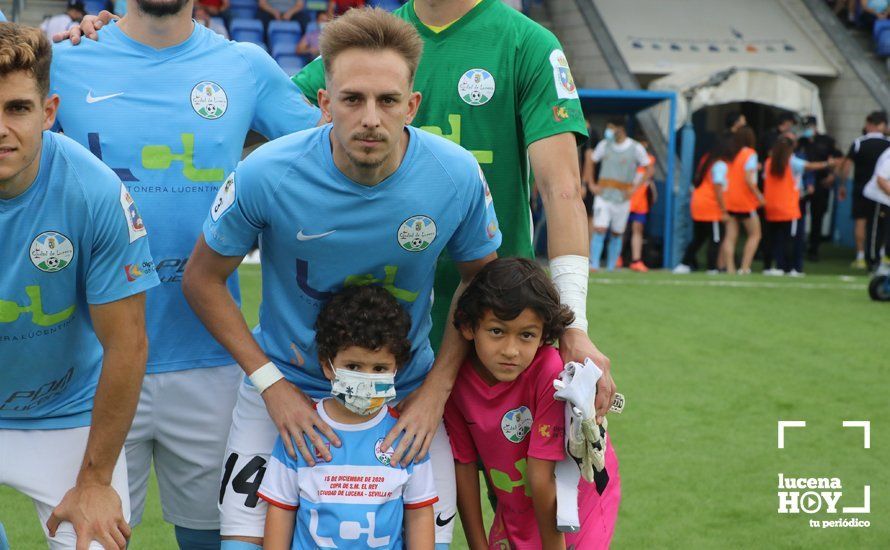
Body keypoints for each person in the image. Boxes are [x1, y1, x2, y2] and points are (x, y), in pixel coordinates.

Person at [180, 9, 501, 548]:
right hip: (287, 386)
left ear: (412, 106)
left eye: (388, 100)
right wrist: (272, 386)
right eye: (352, 99)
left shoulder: (455, 175)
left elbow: (481, 284)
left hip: (405, 396)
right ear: (325, 104)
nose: (371, 118)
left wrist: (434, 393)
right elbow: (201, 280)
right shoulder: (267, 172)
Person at [49, 0, 321, 547]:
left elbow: (325, 149)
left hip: (212, 361)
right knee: (86, 539)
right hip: (90, 365)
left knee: (216, 539)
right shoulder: (64, 60)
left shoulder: (245, 65)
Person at [292, 0, 616, 431]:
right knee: (384, 493)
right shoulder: (376, 45)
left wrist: (573, 323)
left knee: (515, 489)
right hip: (380, 335)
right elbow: (273, 125)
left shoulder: (527, 43)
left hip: (494, 322)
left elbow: (562, 192)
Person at [0, 23, 158, 549]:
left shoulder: (94, 191)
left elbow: (128, 344)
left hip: (68, 416)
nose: (1, 128)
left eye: (17, 108)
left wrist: (93, 481)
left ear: (48, 113)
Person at [444, 258, 621, 549]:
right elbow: (462, 466)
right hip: (517, 506)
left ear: (544, 336)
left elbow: (543, 478)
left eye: (526, 335)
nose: (511, 350)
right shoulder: (455, 382)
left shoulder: (550, 373)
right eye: (497, 331)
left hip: (577, 502)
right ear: (468, 327)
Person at [259, 285, 437, 550]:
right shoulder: (301, 429)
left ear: (396, 367)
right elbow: (281, 510)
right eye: (353, 366)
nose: (366, 377)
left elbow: (419, 513)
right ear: (326, 364)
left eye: (379, 368)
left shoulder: (405, 433)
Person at [583, 117, 652, 271]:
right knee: (599, 228)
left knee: (616, 232)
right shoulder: (604, 145)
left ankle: (611, 266)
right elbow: (590, 160)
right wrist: (591, 184)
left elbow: (649, 168)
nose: (609, 131)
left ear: (621, 129)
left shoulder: (635, 148)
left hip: (622, 198)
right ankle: (593, 264)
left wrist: (635, 188)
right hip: (603, 196)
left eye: (612, 127)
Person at [763, 136, 838, 276]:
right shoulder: (791, 162)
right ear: (791, 148)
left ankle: (768, 267)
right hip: (788, 208)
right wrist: (827, 164)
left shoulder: (768, 162)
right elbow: (809, 166)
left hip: (770, 207)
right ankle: (789, 269)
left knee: (772, 239)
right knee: (790, 239)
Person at [674, 132, 734, 274]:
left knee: (699, 238)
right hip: (710, 205)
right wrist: (724, 210)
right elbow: (718, 187)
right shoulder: (720, 164)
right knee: (715, 238)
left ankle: (684, 264)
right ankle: (712, 268)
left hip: (698, 202)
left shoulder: (707, 159)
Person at [842, 111, 890, 269]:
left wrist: (842, 184)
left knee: (862, 222)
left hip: (861, 188)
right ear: (882, 125)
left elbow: (847, 165)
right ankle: (879, 255)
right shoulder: (887, 144)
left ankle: (861, 255)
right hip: (881, 192)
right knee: (881, 225)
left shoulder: (859, 143)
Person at [797, 116, 841, 262]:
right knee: (799, 216)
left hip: (821, 182)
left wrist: (833, 176)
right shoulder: (800, 142)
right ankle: (799, 246)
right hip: (802, 182)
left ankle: (814, 249)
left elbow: (838, 159)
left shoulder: (826, 140)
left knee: (818, 217)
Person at [722, 126, 763, 274]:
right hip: (745, 201)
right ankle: (745, 267)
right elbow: (748, 178)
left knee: (730, 236)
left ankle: (730, 268)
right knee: (755, 234)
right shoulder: (750, 154)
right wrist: (759, 195)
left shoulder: (733, 154)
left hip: (730, 199)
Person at [627, 137, 656, 272]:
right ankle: (615, 258)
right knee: (619, 230)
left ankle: (636, 260)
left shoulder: (649, 160)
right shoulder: (629, 158)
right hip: (625, 198)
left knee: (637, 229)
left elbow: (650, 176)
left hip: (640, 202)